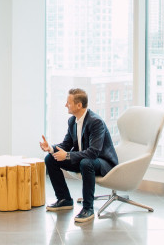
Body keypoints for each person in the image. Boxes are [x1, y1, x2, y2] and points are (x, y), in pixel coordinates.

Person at [39, 88, 118, 223]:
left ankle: (88, 208)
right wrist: (51, 148)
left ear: (79, 105)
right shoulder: (72, 121)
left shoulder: (96, 122)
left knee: (86, 163)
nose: (66, 105)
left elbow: (93, 152)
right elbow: (66, 144)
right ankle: (64, 199)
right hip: (82, 159)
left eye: (68, 103)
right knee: (50, 159)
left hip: (102, 162)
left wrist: (68, 156)